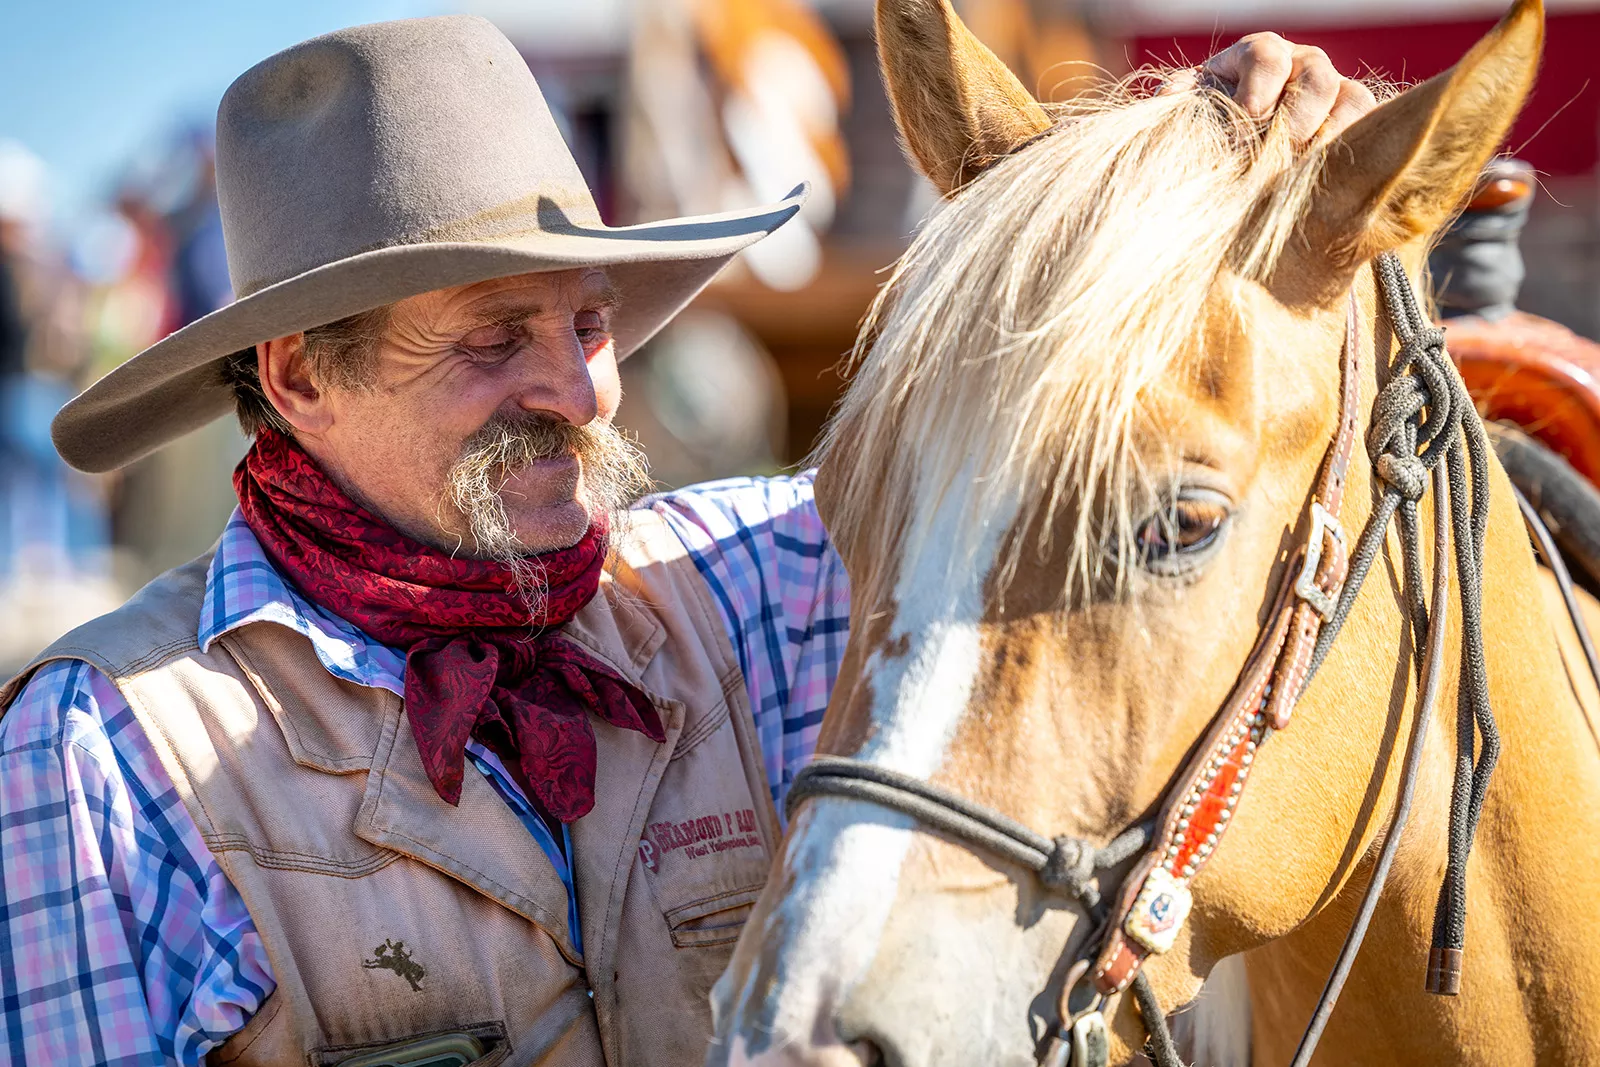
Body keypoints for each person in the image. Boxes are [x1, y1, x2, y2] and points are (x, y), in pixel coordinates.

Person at [0, 16, 1372, 1067]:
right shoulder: (109, 752)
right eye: (494, 341)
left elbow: (1063, 498)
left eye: (587, 325)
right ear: (299, 377)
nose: (583, 391)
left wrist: (1210, 182)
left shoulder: (752, 587)